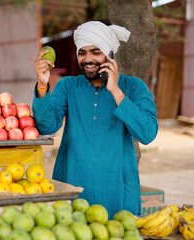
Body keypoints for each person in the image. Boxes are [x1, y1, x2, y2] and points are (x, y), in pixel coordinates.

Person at [32, 20, 158, 217]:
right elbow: (46, 127)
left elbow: (148, 133)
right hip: (73, 192)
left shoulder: (134, 87)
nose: (87, 59)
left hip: (119, 196)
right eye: (82, 53)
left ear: (110, 55)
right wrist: (42, 85)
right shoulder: (68, 87)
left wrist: (116, 91)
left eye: (96, 52)